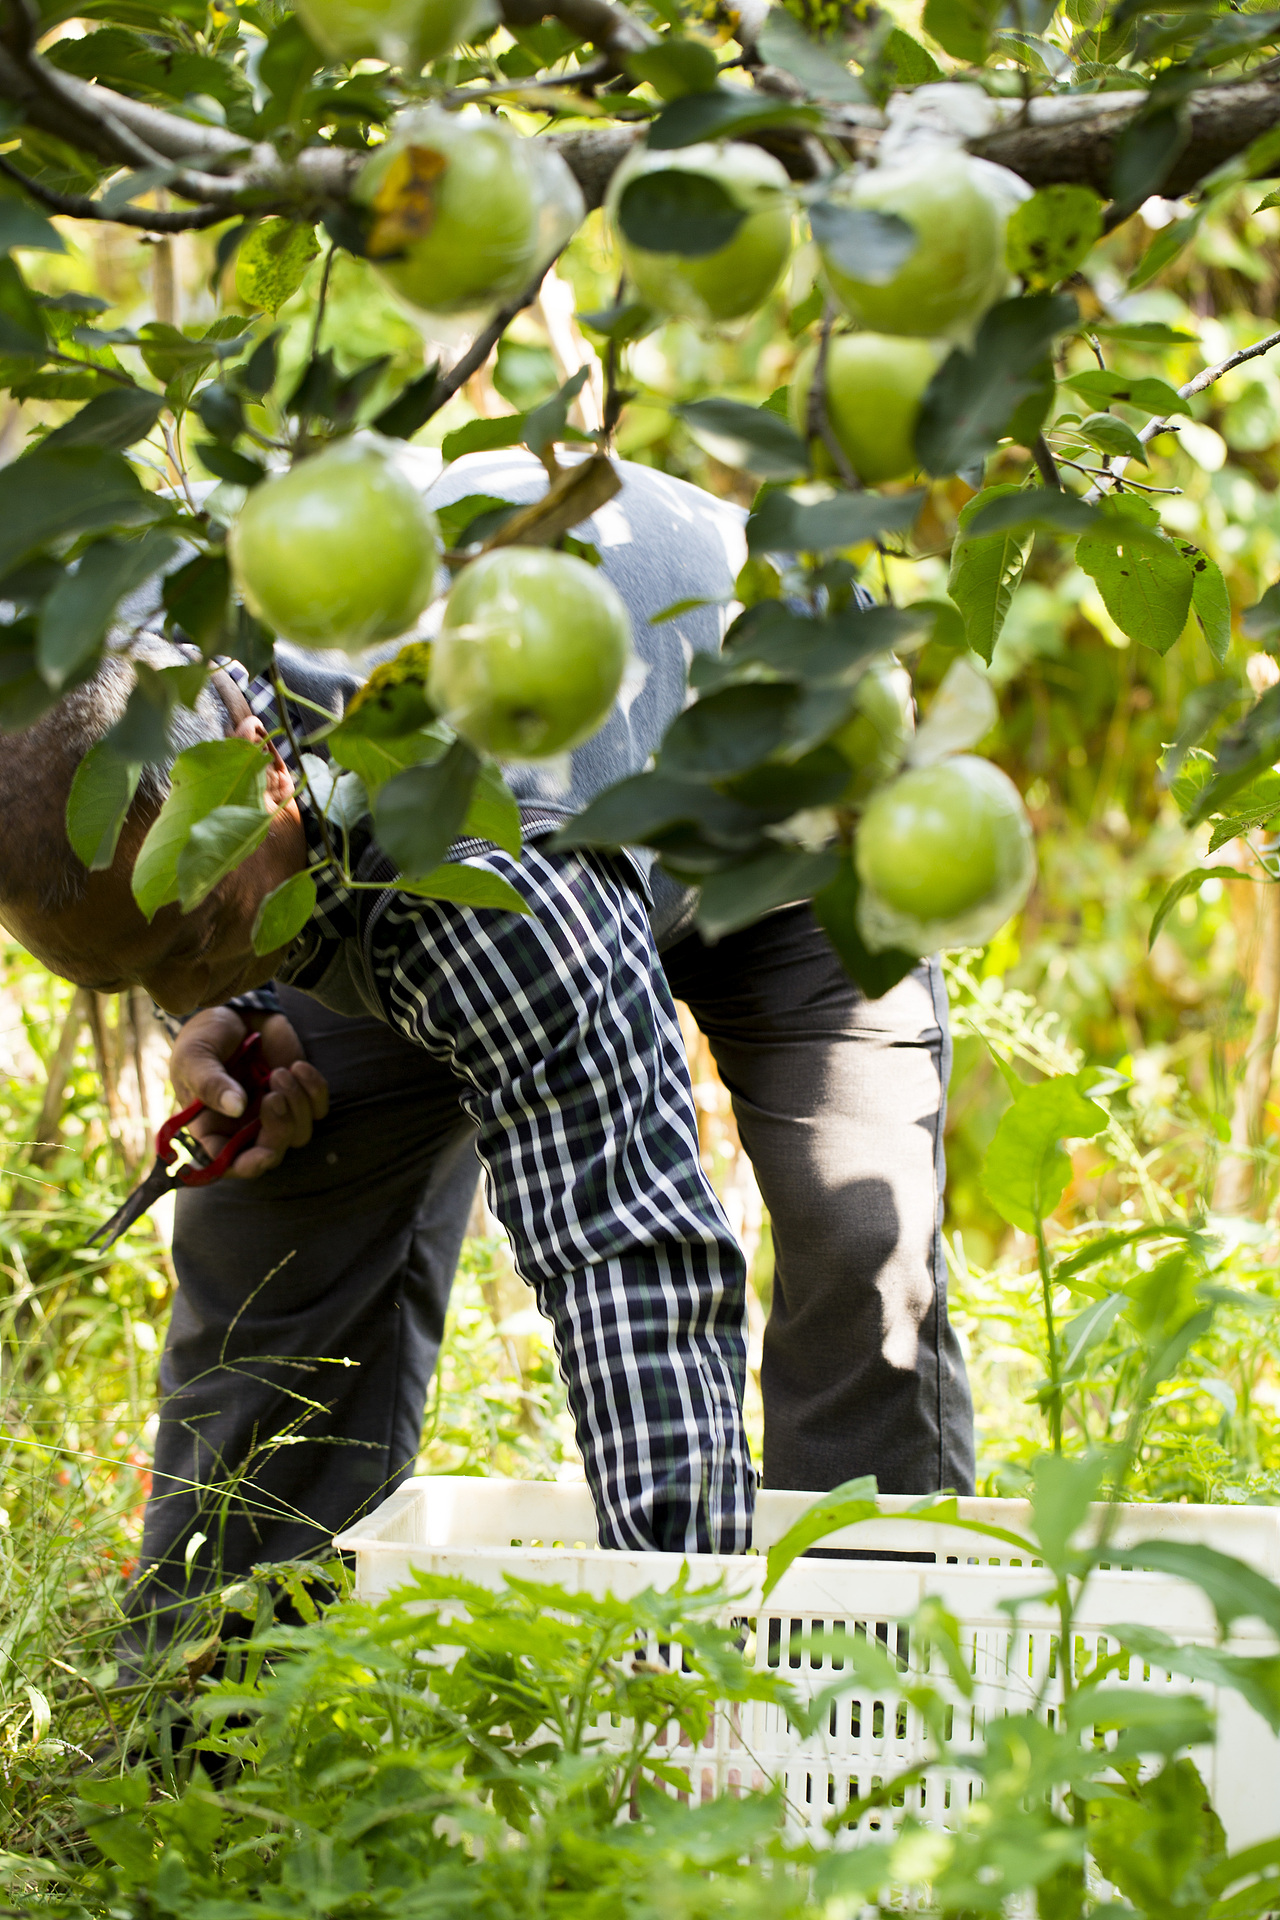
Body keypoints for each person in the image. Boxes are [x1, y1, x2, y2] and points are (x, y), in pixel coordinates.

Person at [0, 449, 973, 1619]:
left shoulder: (481, 869)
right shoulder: (78, 660)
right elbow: (156, 912)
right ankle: (212, 1736)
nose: (168, 996)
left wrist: (680, 1654)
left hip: (788, 783)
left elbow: (628, 1252)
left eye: (195, 936)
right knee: (273, 1244)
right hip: (430, 843)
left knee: (857, 1238)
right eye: (128, 980)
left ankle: (850, 1701)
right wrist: (228, 997)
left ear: (258, 769)